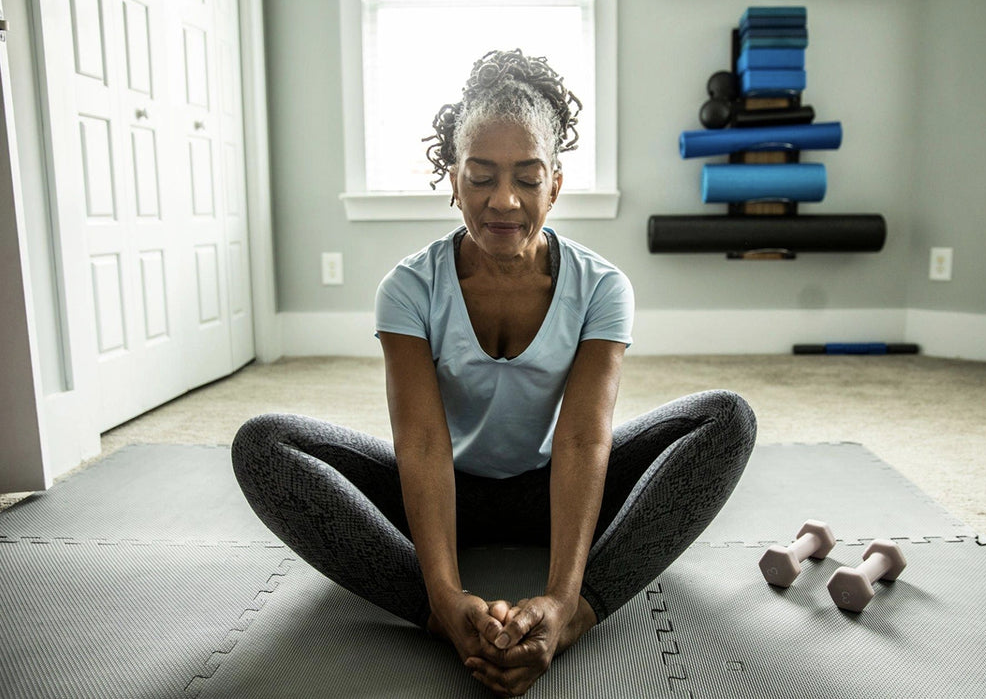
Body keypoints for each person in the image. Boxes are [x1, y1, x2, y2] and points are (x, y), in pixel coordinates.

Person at [231, 49, 756, 697]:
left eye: (527, 178)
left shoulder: (602, 288)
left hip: (554, 488)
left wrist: (562, 601)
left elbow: (584, 439)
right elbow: (421, 443)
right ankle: (443, 617)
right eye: (480, 177)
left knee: (726, 418)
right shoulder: (408, 287)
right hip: (442, 489)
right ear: (452, 180)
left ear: (555, 184)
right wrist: (449, 593)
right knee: (263, 444)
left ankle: (583, 614)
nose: (503, 199)